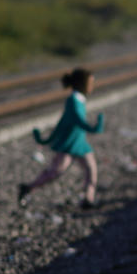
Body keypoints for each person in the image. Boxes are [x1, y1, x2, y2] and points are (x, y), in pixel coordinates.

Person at [20, 68, 104, 209]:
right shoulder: (73, 101)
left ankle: (88, 199)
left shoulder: (79, 100)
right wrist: (93, 128)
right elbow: (77, 120)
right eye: (90, 83)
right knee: (56, 171)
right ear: (81, 84)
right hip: (69, 144)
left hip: (80, 143)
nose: (92, 86)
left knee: (91, 169)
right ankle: (28, 188)